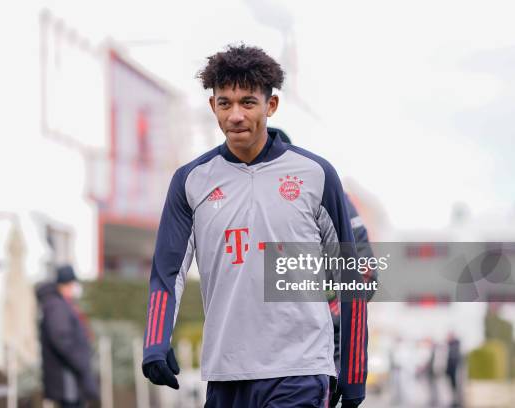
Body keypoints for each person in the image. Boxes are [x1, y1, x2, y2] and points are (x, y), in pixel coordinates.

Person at [141, 44, 367, 407]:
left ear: (270, 106)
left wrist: (354, 372)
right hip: (226, 374)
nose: (235, 115)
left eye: (247, 102)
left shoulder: (316, 175)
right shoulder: (190, 181)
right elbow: (168, 272)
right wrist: (155, 341)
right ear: (213, 106)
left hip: (300, 369)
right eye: (225, 103)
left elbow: (349, 276)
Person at [270, 126, 377, 407]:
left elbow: (365, 273)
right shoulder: (245, 198)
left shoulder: (324, 190)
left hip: (322, 342)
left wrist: (330, 302)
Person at [36, 264, 99, 408]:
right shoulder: (57, 306)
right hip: (67, 377)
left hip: (70, 377)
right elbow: (61, 339)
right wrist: (80, 361)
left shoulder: (60, 304)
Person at [445, 332, 462, 407]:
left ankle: (457, 402)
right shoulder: (450, 346)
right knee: (452, 387)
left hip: (454, 369)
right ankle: (454, 401)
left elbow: (454, 358)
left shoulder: (454, 346)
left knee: (456, 387)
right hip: (451, 370)